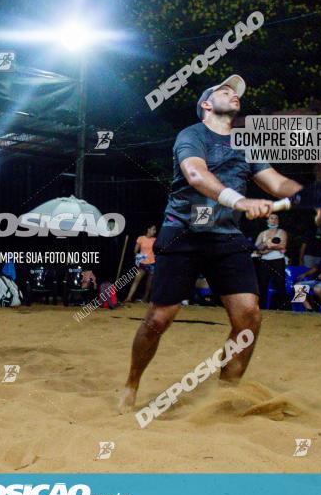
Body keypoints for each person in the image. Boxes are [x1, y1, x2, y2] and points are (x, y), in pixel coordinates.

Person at [118, 75, 304, 414]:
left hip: (226, 237)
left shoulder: (246, 144)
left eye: (236, 94)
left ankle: (224, 395)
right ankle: (131, 384)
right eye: (225, 91)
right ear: (206, 104)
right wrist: (240, 202)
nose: (234, 95)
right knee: (159, 318)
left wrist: (303, 193)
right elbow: (195, 175)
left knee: (249, 316)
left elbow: (276, 181)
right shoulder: (191, 135)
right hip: (182, 232)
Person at [254, 213, 288, 309]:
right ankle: (262, 307)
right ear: (267, 221)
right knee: (262, 284)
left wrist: (266, 247)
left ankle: (283, 308)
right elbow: (256, 248)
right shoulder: (262, 233)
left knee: (280, 284)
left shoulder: (282, 232)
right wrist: (267, 245)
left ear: (278, 221)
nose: (273, 220)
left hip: (278, 260)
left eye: (276, 218)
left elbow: (283, 246)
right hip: (264, 261)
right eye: (271, 218)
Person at [125, 225, 157, 302]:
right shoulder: (141, 238)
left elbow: (157, 250)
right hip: (143, 263)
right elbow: (136, 250)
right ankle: (129, 297)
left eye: (155, 230)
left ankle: (145, 298)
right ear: (148, 229)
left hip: (152, 263)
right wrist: (139, 257)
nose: (155, 231)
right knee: (136, 280)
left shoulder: (155, 240)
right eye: (153, 229)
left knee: (149, 283)